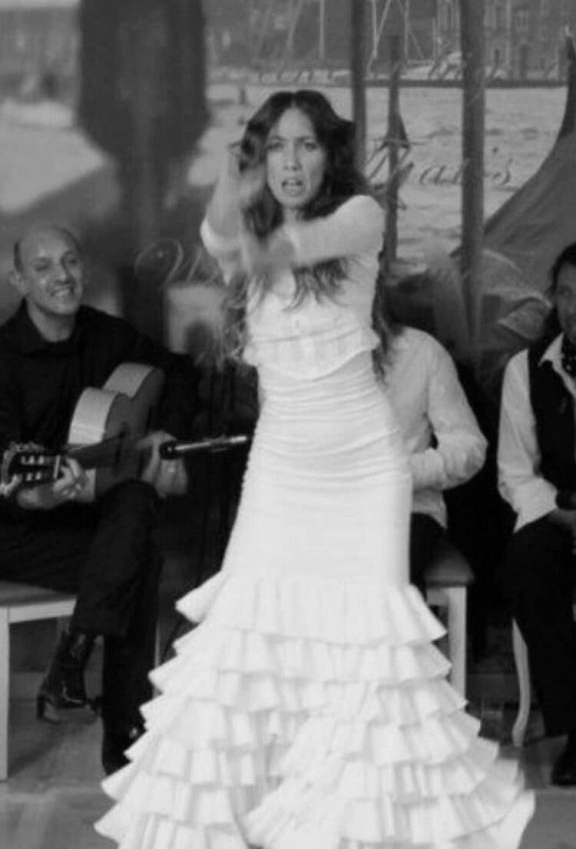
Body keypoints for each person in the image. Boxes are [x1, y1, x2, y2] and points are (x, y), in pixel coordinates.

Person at [98, 90, 533, 847]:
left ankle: (348, 830)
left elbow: (289, 246)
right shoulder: (252, 226)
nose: (292, 162)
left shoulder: (360, 217)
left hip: (364, 469)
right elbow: (216, 232)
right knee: (250, 636)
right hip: (282, 466)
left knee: (362, 654)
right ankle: (257, 817)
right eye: (276, 148)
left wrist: (252, 231)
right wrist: (233, 178)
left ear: (330, 155)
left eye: (306, 146)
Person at [0, 224, 198, 775]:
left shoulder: (106, 335)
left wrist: (165, 431)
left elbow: (180, 371)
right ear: (19, 280)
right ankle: (124, 737)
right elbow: (5, 478)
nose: (62, 276)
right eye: (43, 267)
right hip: (18, 531)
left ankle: (74, 656)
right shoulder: (2, 359)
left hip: (93, 523)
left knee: (133, 503)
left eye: (70, 261)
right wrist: (36, 496)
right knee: (138, 559)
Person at [499, 241, 576, 787]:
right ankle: (575, 727)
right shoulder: (525, 370)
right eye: (566, 294)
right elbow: (515, 472)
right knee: (524, 568)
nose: (575, 308)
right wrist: (561, 515)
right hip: (558, 512)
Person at [385, 325, 487, 587]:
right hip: (318, 510)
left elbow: (468, 446)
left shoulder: (422, 350)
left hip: (409, 510)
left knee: (386, 566)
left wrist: (406, 473)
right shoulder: (295, 353)